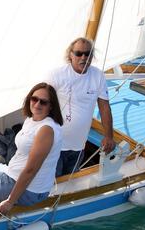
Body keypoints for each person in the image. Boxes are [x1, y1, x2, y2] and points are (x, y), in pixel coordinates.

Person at [0, 82, 63, 214]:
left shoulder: (46, 130)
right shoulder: (32, 119)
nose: (37, 104)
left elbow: (31, 170)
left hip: (26, 191)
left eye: (43, 102)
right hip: (11, 174)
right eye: (34, 99)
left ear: (51, 106)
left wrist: (10, 201)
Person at [47, 37, 115, 177]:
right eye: (79, 53)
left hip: (79, 147)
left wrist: (109, 136)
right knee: (52, 185)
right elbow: (41, 103)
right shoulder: (56, 75)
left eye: (88, 53)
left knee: (70, 184)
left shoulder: (98, 76)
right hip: (55, 146)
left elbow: (104, 108)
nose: (83, 57)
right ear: (70, 55)